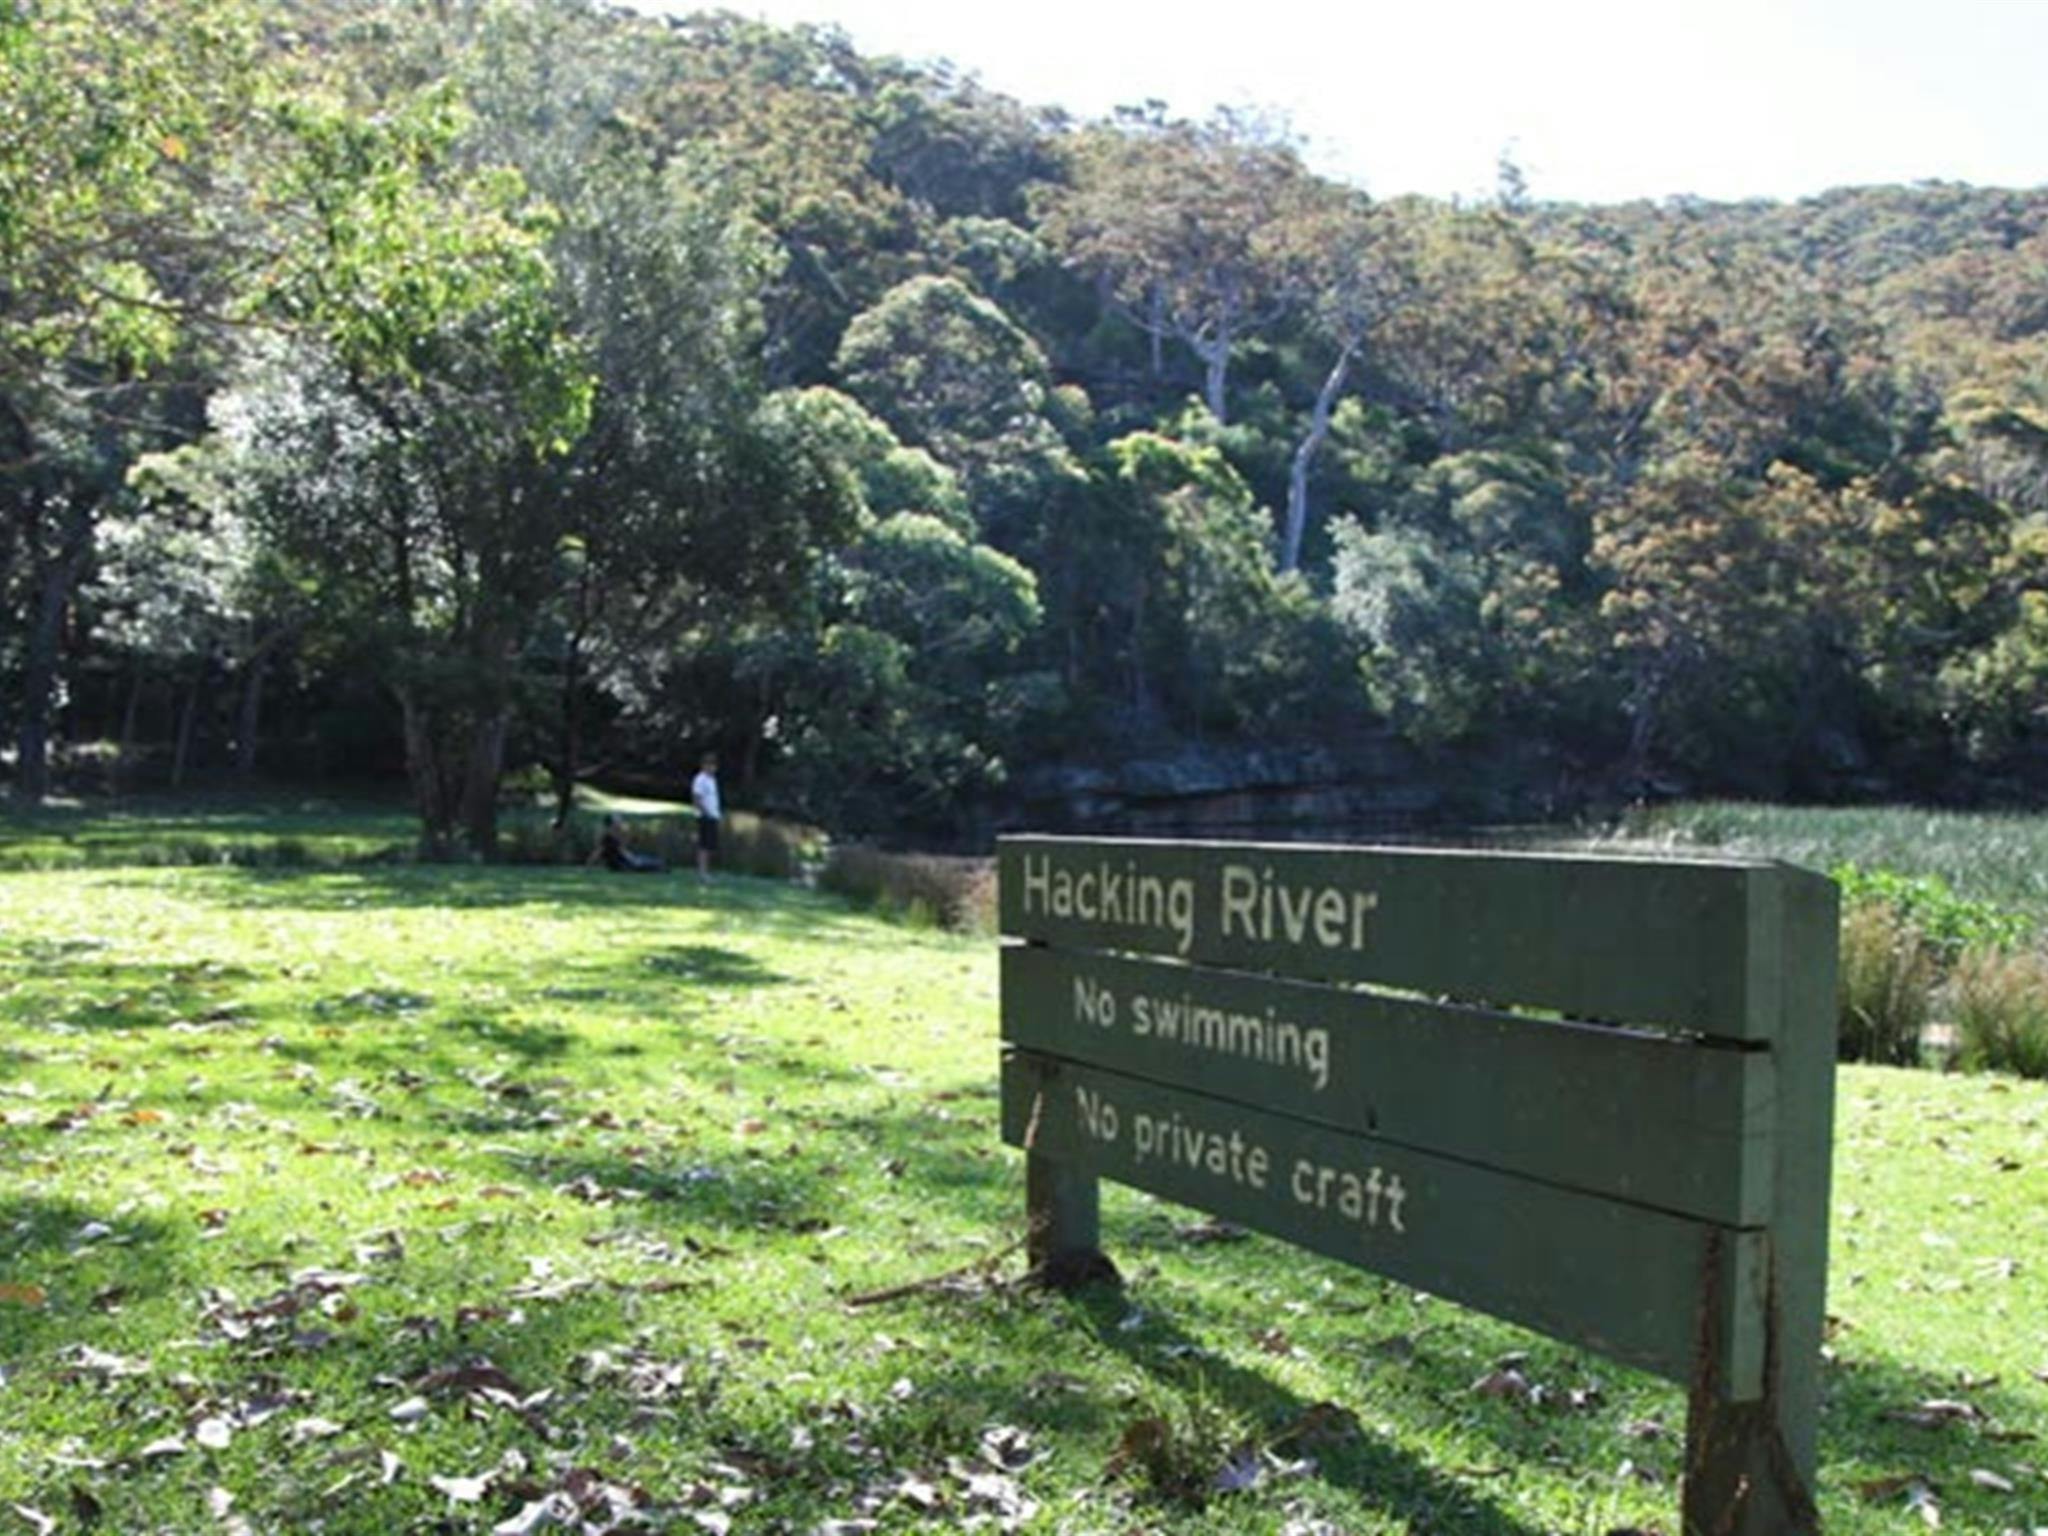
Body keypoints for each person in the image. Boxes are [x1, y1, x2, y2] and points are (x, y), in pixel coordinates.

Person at [587, 813, 663, 873]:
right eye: (618, 821)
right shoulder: (606, 838)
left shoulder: (615, 836)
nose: (620, 822)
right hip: (624, 865)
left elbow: (623, 849)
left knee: (653, 860)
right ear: (612, 823)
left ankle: (655, 866)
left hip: (629, 861)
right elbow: (598, 852)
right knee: (656, 863)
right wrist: (588, 867)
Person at [690, 751, 721, 880]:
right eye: (709, 765)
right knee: (704, 845)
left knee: (709, 846)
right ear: (704, 765)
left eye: (714, 765)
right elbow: (697, 798)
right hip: (705, 816)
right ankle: (702, 873)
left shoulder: (712, 780)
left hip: (713, 816)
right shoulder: (700, 779)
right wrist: (705, 813)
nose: (712, 768)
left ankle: (706, 871)